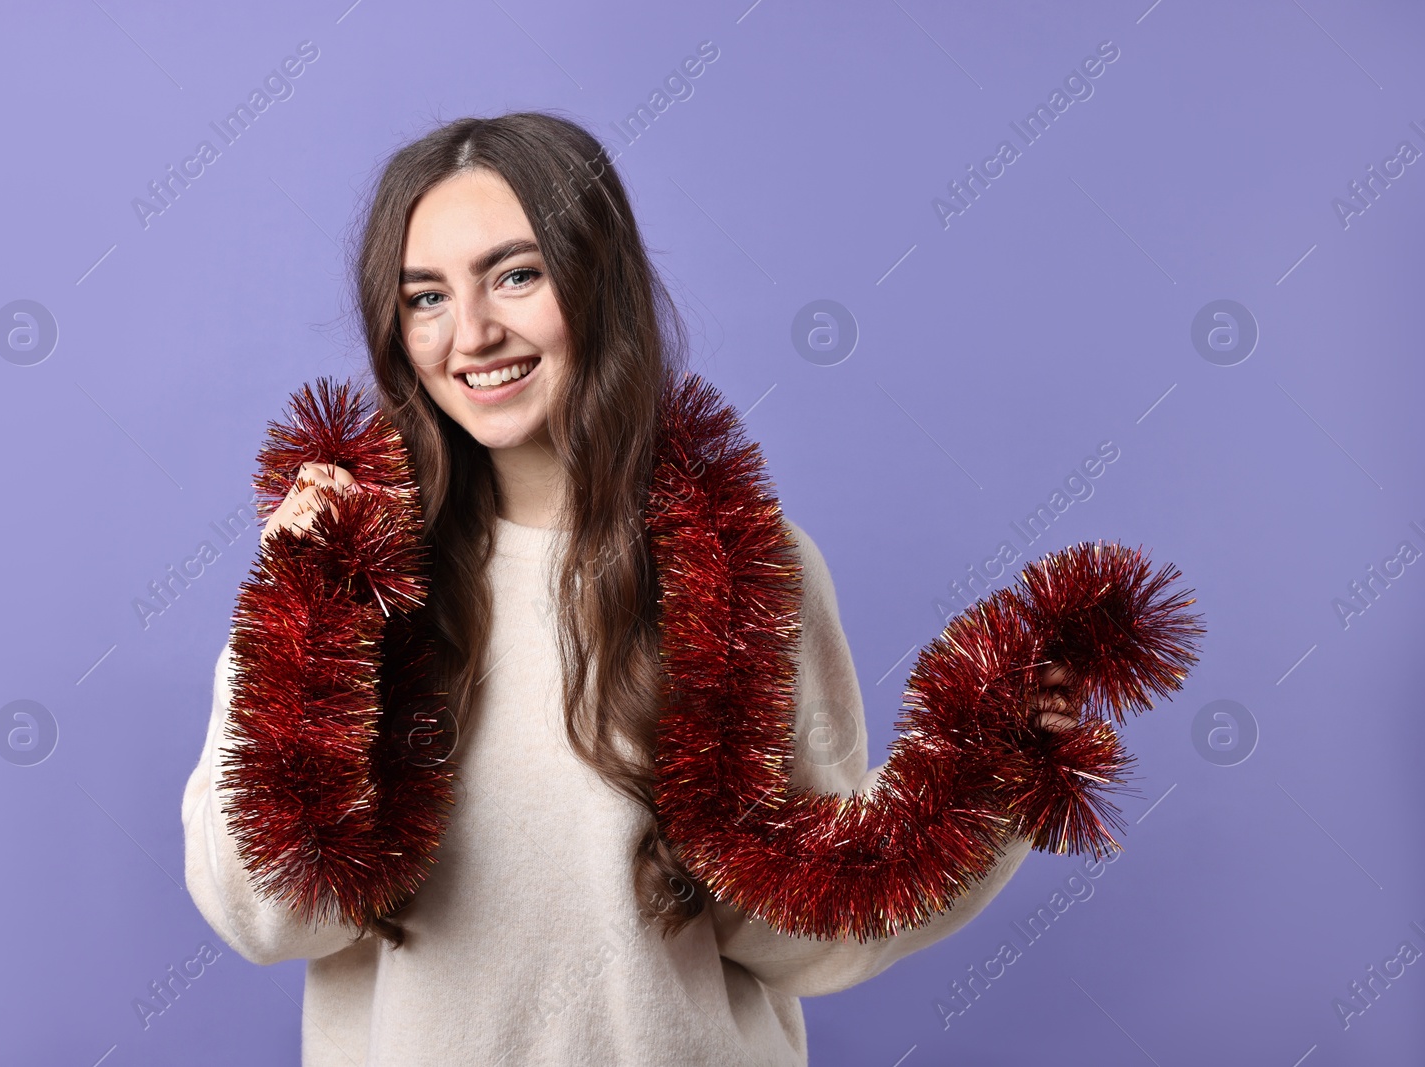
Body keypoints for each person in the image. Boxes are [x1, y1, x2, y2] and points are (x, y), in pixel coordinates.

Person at [182, 110, 1083, 1066]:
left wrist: (992, 771)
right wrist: (305, 615)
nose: (474, 333)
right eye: (426, 297)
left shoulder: (747, 566)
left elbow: (806, 923)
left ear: (596, 279)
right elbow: (269, 916)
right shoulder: (349, 571)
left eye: (516, 275)